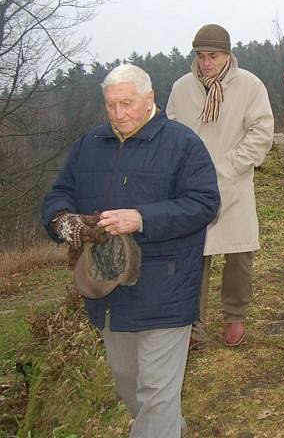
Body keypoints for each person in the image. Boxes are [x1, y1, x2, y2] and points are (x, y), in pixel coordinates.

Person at [41, 63, 220, 437]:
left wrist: (141, 218)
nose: (118, 114)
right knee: (129, 383)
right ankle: (171, 428)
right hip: (108, 287)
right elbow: (60, 191)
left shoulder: (183, 144)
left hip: (166, 286)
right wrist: (60, 219)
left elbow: (205, 204)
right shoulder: (88, 145)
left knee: (156, 390)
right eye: (110, 105)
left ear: (149, 98)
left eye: (127, 103)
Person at [167, 24, 274, 349]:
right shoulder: (182, 88)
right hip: (191, 189)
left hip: (234, 183)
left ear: (227, 54)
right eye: (201, 56)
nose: (206, 62)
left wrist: (228, 165)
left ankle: (235, 314)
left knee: (239, 254)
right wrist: (185, 172)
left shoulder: (249, 85)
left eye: (213, 55)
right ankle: (192, 325)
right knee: (192, 258)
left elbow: (261, 132)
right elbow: (170, 134)